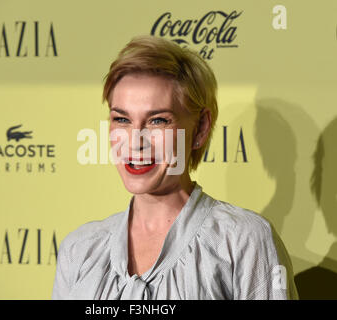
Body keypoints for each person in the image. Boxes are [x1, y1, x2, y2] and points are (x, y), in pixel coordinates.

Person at [52, 35, 299, 300]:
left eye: (158, 120)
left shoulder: (244, 240)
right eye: (121, 119)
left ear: (200, 128)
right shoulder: (79, 249)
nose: (135, 142)